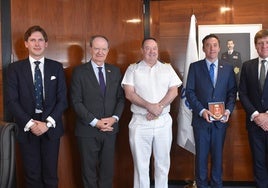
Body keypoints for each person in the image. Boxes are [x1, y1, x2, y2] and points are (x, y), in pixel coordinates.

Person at [6, 25, 68, 188]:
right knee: (32, 176)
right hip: (27, 128)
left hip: (51, 128)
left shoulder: (56, 67)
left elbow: (62, 99)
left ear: (46, 43)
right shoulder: (14, 69)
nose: (37, 43)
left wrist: (47, 123)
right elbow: (12, 101)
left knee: (51, 176)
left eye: (41, 40)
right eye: (33, 40)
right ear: (26, 43)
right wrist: (31, 123)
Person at [121, 37, 182, 188]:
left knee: (162, 163)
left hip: (163, 122)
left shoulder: (167, 68)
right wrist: (150, 106)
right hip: (140, 122)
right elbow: (129, 93)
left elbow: (174, 91)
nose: (151, 51)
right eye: (147, 48)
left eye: (154, 48)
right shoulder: (132, 69)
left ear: (158, 50)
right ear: (142, 50)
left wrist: (158, 108)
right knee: (141, 165)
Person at [70, 35, 125, 188]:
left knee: (107, 171)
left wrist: (114, 119)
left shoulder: (114, 71)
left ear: (108, 50)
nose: (100, 52)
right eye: (97, 48)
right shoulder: (79, 72)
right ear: (90, 49)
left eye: (103, 49)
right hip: (87, 130)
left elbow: (121, 98)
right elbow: (76, 102)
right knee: (89, 172)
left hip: (110, 129)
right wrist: (96, 122)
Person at [186, 34, 237, 188]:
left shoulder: (227, 68)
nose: (212, 48)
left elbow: (232, 92)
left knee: (217, 158)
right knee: (201, 159)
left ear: (219, 47)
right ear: (203, 48)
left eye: (215, 45)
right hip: (201, 121)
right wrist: (202, 111)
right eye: (208, 45)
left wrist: (227, 111)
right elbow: (189, 92)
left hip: (220, 122)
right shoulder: (195, 67)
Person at [239, 29, 268, 187]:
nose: (264, 46)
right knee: (258, 161)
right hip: (254, 123)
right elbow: (242, 93)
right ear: (256, 46)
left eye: (267, 42)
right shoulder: (247, 66)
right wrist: (257, 115)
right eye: (260, 43)